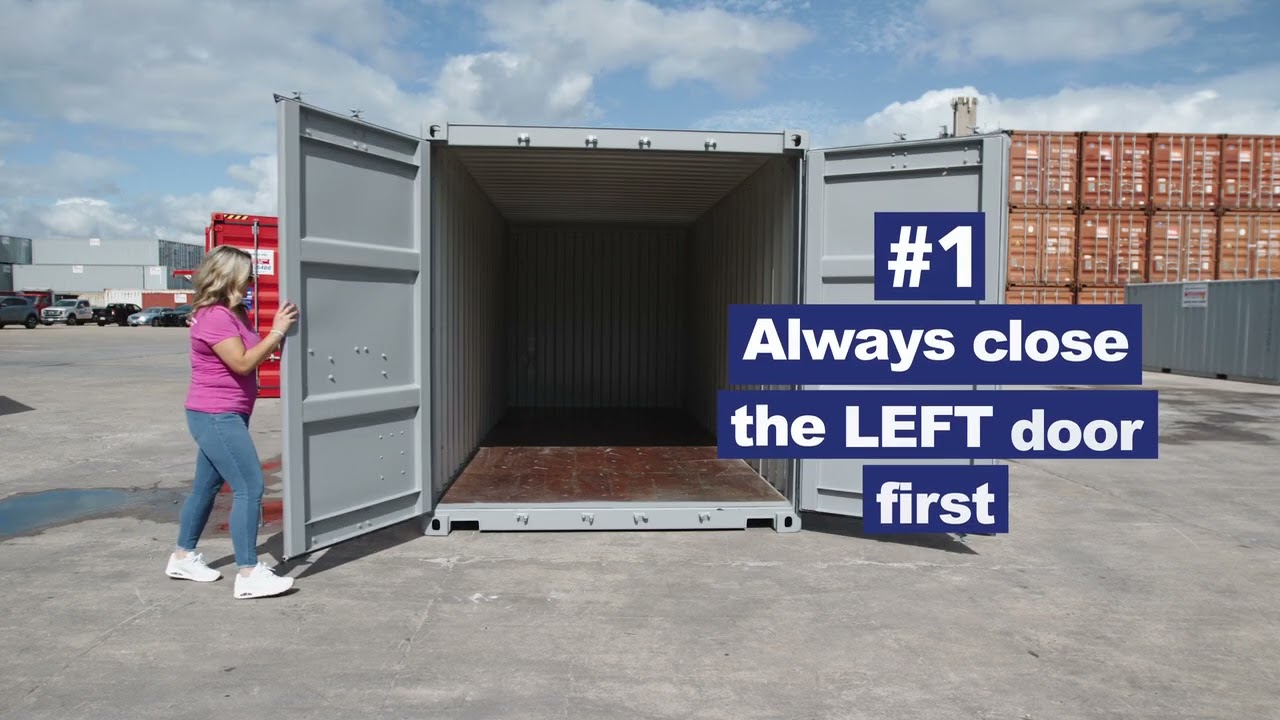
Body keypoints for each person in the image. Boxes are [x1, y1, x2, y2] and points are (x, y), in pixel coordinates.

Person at [164, 245, 300, 599]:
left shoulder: (234, 312)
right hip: (215, 414)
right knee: (250, 486)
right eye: (248, 275)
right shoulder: (214, 317)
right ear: (230, 277)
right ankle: (249, 572)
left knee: (205, 488)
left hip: (228, 412)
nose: (253, 280)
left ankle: (182, 557)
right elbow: (241, 363)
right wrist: (277, 333)